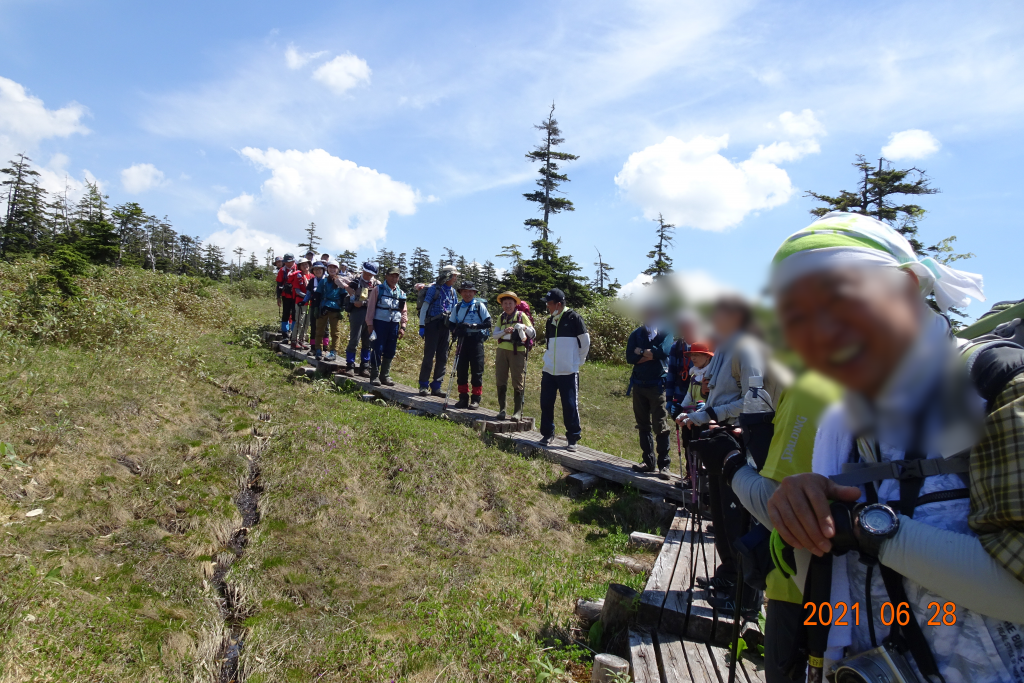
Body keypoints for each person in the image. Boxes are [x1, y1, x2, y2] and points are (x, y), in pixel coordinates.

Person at [765, 212, 1024, 682]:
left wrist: (869, 530)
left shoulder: (998, 390)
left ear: (905, 287)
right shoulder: (850, 420)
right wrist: (809, 502)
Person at [715, 370, 842, 682]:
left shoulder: (811, 388)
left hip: (800, 586)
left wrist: (730, 463)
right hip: (853, 595)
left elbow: (776, 505)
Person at [675, 296, 768, 591]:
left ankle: (740, 587)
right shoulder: (725, 348)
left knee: (734, 515)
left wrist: (713, 414)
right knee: (718, 511)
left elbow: (755, 399)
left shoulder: (746, 348)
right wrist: (698, 415)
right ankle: (726, 574)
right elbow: (717, 396)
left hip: (737, 441)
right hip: (718, 437)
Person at [537, 288, 590, 452]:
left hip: (568, 371)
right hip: (549, 370)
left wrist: (578, 361)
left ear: (558, 304)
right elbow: (549, 344)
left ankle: (573, 437)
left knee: (569, 405)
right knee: (546, 403)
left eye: (549, 303)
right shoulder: (549, 320)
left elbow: (585, 341)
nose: (547, 306)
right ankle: (547, 434)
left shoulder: (574, 318)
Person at [626, 307, 674, 478]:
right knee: (643, 425)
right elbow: (629, 357)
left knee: (660, 424)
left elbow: (664, 351)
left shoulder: (666, 332)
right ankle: (648, 462)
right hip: (639, 385)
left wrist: (641, 352)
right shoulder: (636, 334)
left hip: (657, 386)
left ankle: (664, 465)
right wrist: (650, 354)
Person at [417, 265, 459, 397]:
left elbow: (456, 311)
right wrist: (422, 326)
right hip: (432, 326)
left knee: (442, 357)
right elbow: (424, 307)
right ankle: (423, 385)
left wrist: (455, 328)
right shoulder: (434, 289)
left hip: (446, 327)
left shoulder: (453, 292)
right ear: (448, 276)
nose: (455, 278)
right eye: (454, 275)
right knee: (429, 356)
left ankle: (436, 386)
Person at [448, 282, 492, 409]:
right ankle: (463, 398)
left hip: (476, 340)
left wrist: (473, 326)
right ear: (461, 293)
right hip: (462, 341)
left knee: (477, 371)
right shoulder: (457, 307)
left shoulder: (479, 306)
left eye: (470, 291)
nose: (467, 294)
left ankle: (476, 399)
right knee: (461, 370)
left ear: (474, 293)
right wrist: (456, 331)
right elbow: (450, 324)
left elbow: (488, 323)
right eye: (465, 291)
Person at [493, 291, 535, 421]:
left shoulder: (522, 316)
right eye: (505, 303)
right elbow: (494, 335)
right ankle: (502, 410)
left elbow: (532, 333)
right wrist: (504, 331)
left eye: (510, 303)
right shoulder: (501, 317)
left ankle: (517, 412)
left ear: (515, 304)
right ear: (502, 305)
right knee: (500, 379)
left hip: (518, 352)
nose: (507, 306)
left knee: (517, 380)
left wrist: (522, 326)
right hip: (502, 351)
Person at [365, 266, 408, 386]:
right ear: (386, 276)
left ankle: (385, 375)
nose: (394, 278)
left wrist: (403, 326)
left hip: (394, 324)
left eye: (397, 276)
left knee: (390, 350)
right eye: (392, 275)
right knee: (377, 348)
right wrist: (370, 324)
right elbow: (371, 308)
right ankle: (374, 375)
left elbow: (403, 311)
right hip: (380, 323)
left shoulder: (401, 293)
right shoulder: (378, 290)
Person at [343, 262, 378, 377]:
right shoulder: (356, 281)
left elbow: (377, 300)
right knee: (354, 339)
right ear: (363, 271)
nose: (368, 276)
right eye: (366, 273)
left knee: (367, 342)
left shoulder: (376, 284)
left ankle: (364, 367)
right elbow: (345, 287)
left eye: (370, 274)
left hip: (371, 314)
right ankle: (350, 366)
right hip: (357, 313)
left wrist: (363, 303)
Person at [666, 312, 698, 416]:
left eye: (688, 325)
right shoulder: (676, 347)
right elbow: (671, 374)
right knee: (683, 425)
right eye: (682, 325)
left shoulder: (704, 347)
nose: (685, 328)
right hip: (680, 395)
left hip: (699, 396)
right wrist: (669, 399)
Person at [316, 260, 347, 361]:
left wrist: (342, 309)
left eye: (334, 267)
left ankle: (333, 351)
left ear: (337, 269)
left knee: (335, 332)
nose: (332, 269)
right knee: (319, 330)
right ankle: (318, 350)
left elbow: (343, 295)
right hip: (324, 307)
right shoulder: (323, 281)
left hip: (335, 309)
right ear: (327, 269)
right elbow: (318, 295)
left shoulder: (340, 281)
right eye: (330, 267)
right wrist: (316, 308)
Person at [289, 258, 312, 349]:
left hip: (310, 303)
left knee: (307, 323)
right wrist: (307, 296)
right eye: (303, 265)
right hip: (300, 302)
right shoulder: (298, 276)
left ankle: (302, 340)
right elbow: (297, 290)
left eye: (306, 264)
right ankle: (294, 340)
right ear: (299, 266)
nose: (305, 266)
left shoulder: (312, 276)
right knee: (299, 321)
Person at [306, 261, 327, 360]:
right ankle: (313, 348)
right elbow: (308, 293)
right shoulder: (311, 281)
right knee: (313, 326)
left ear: (323, 270)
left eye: (320, 269)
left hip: (325, 306)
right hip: (314, 306)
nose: (318, 271)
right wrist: (303, 301)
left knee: (325, 328)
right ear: (313, 271)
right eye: (316, 269)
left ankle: (324, 348)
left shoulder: (327, 281)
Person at [276, 253, 296, 336]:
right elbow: (279, 284)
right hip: (286, 295)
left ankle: (294, 332)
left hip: (296, 296)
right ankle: (285, 332)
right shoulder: (282, 271)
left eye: (290, 261)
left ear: (293, 261)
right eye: (286, 262)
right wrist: (278, 297)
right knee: (285, 314)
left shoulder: (298, 269)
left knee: (295, 314)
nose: (288, 264)